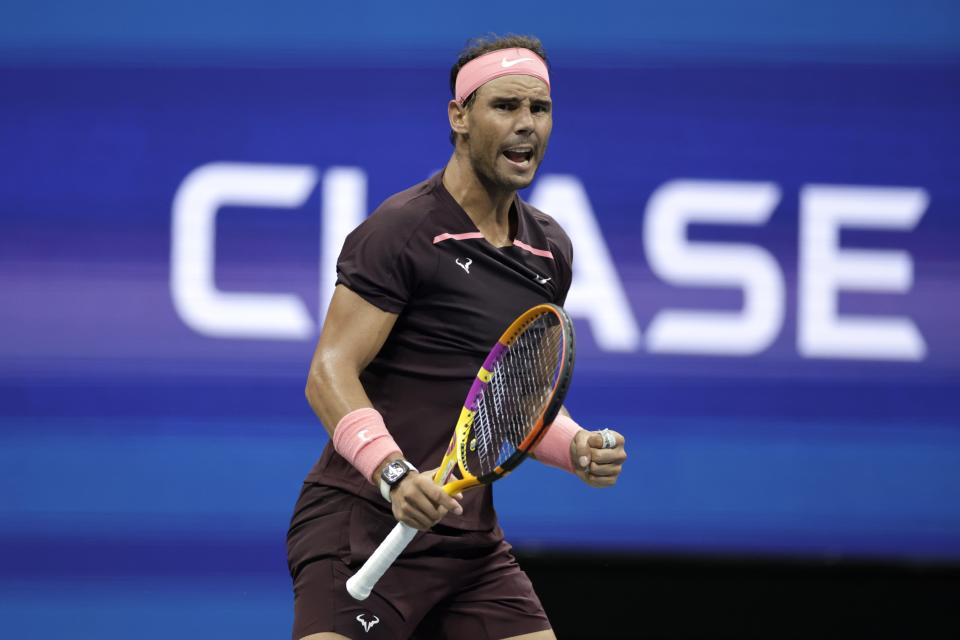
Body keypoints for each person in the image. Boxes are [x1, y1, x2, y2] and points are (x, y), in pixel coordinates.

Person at [287, 34, 628, 640]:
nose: (526, 126)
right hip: (359, 523)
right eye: (505, 107)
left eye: (539, 110)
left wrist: (575, 446)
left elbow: (521, 400)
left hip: (468, 543)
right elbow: (328, 373)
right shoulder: (402, 231)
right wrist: (392, 474)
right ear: (460, 117)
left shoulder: (549, 250)